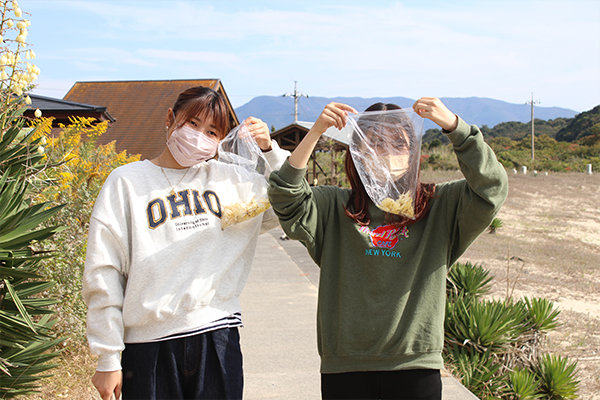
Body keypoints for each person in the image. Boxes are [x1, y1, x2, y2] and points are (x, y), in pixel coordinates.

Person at [267, 97, 509, 400]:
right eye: (374, 144)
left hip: (415, 364)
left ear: (414, 153)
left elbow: (491, 188)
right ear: (357, 153)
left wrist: (455, 127)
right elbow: (285, 197)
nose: (385, 153)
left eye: (398, 144)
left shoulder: (438, 207)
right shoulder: (333, 207)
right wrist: (316, 131)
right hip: (346, 366)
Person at [82, 86, 289, 400]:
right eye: (192, 124)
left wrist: (270, 150)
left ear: (221, 141)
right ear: (170, 118)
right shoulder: (127, 182)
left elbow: (288, 202)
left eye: (212, 131)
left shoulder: (230, 181)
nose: (198, 136)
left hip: (216, 334)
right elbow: (104, 272)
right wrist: (108, 356)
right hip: (148, 345)